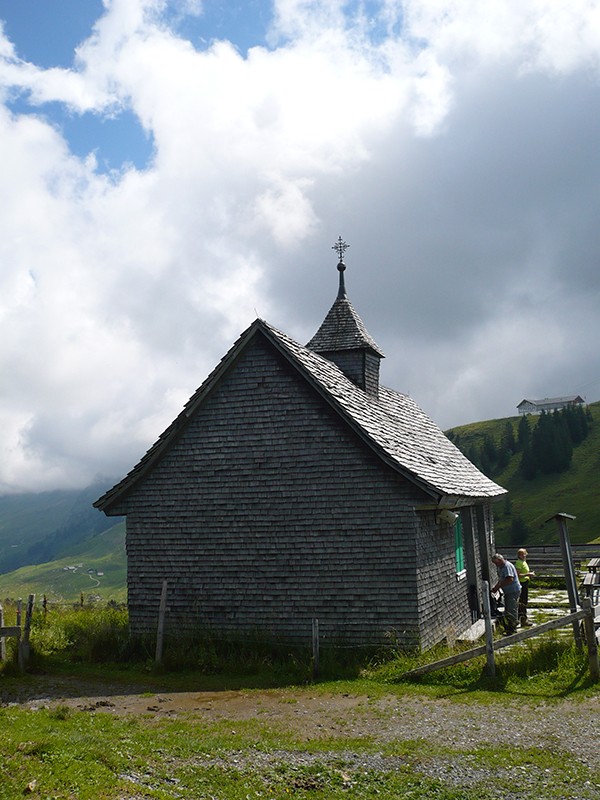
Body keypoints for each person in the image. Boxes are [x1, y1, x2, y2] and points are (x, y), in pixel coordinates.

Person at [491, 553, 521, 635]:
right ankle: (510, 626)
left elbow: (509, 579)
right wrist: (495, 588)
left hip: (513, 591)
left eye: (496, 563)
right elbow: (501, 580)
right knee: (508, 609)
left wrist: (499, 586)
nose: (496, 565)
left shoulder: (507, 566)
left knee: (511, 609)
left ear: (500, 560)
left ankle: (512, 628)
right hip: (508, 591)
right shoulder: (502, 567)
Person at [515, 548, 535, 627]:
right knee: (522, 602)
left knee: (525, 601)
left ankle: (523, 618)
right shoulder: (518, 563)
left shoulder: (523, 562)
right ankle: (523, 619)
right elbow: (517, 575)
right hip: (521, 583)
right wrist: (528, 574)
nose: (525, 555)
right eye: (524, 554)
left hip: (525, 583)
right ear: (520, 555)